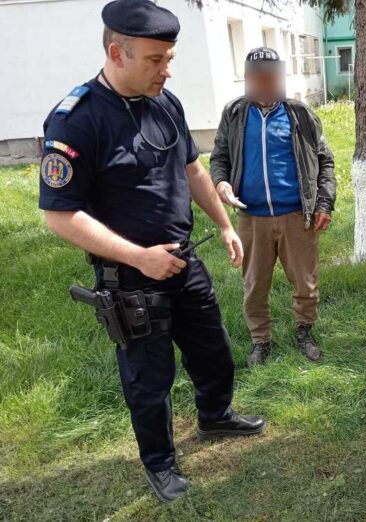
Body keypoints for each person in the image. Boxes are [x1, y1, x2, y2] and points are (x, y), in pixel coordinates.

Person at [38, 0, 265, 503]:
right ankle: (160, 463)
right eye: (155, 59)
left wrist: (224, 225)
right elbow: (60, 215)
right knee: (149, 379)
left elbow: (191, 168)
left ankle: (215, 416)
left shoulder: (166, 102)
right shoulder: (76, 121)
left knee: (214, 351)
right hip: (130, 278)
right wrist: (140, 257)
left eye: (170, 58)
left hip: (184, 259)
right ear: (117, 54)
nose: (167, 69)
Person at [210, 47, 336, 367]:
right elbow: (219, 157)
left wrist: (324, 202)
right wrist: (221, 183)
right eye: (259, 78)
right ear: (247, 78)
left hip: (297, 216)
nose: (266, 84)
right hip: (252, 218)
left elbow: (325, 161)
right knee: (254, 286)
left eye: (272, 77)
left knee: (306, 283)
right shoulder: (234, 114)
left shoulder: (300, 115)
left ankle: (304, 332)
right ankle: (260, 340)